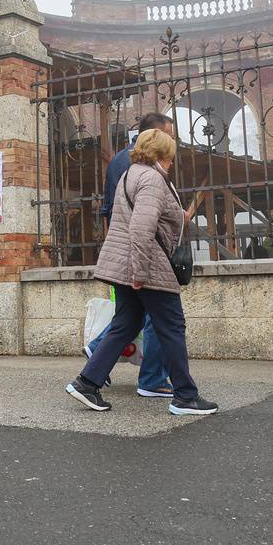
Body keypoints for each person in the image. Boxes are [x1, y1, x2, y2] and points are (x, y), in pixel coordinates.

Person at [67, 127, 217, 416]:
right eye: (170, 157)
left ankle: (87, 383)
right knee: (172, 326)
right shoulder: (151, 179)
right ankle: (185, 396)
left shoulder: (131, 174)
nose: (172, 162)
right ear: (159, 154)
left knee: (127, 323)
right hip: (146, 267)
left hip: (124, 264)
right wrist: (140, 273)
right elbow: (141, 228)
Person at [86, 111, 175, 396]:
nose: (172, 144)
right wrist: (140, 270)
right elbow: (141, 223)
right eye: (169, 136)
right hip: (136, 253)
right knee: (159, 319)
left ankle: (90, 371)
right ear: (155, 135)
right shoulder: (142, 167)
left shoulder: (121, 160)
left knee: (130, 318)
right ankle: (154, 379)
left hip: (122, 249)